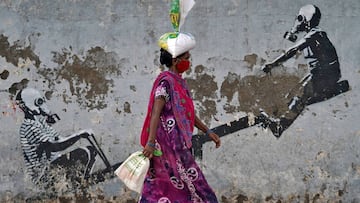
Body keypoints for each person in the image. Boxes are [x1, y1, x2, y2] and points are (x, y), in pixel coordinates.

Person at [139, 32, 221, 202]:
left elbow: (188, 115)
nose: (189, 62)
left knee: (179, 183)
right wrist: (150, 142)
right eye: (186, 58)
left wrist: (208, 131)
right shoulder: (165, 83)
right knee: (169, 183)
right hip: (165, 146)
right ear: (176, 60)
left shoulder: (179, 82)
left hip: (179, 144)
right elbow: (156, 113)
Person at [261, 4, 349, 137]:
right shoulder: (313, 35)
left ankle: (280, 127)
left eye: (299, 18)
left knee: (300, 95)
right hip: (320, 73)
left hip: (325, 74)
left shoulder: (315, 34)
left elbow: (292, 51)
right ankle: (276, 115)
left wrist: (272, 64)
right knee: (293, 92)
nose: (297, 21)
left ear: (305, 20)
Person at [15, 87, 100, 193]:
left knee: (91, 150)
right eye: (39, 101)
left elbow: (60, 140)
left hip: (53, 166)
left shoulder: (41, 124)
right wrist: (78, 135)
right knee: (83, 153)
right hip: (43, 175)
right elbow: (54, 147)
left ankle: (81, 181)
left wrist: (79, 134)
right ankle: (77, 184)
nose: (42, 104)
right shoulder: (29, 126)